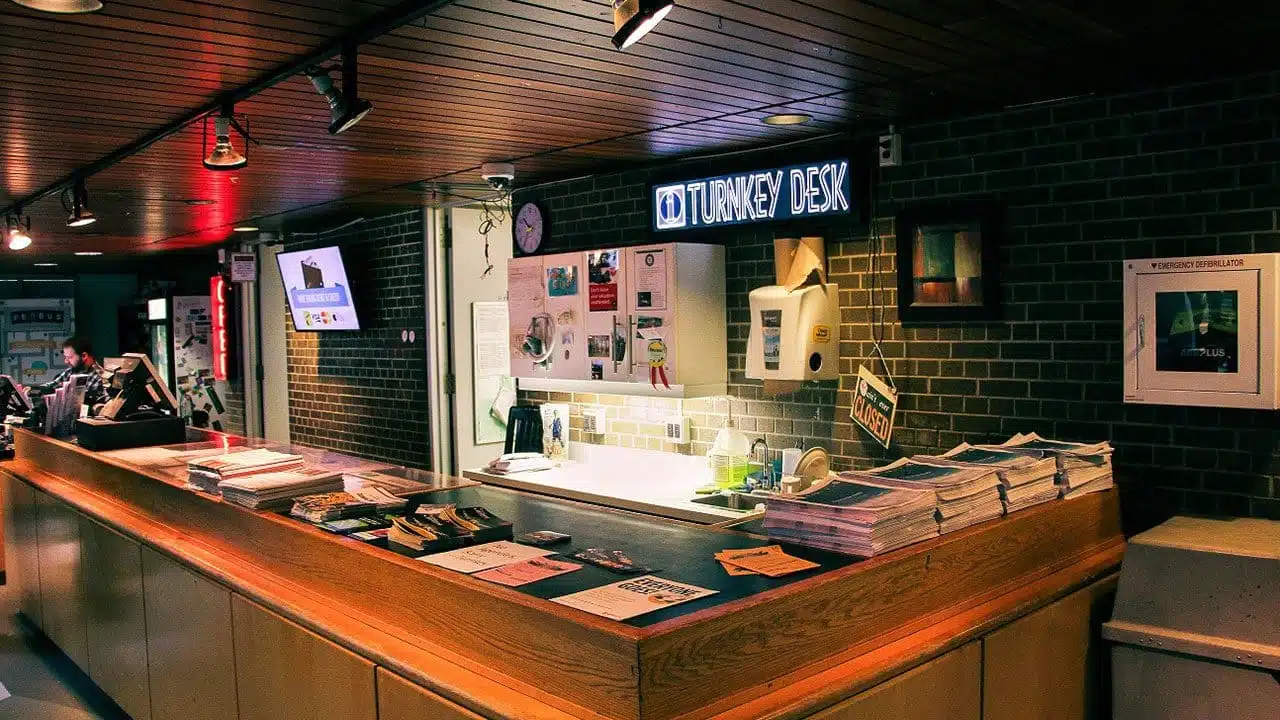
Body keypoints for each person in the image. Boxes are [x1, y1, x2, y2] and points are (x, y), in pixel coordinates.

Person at [29, 336, 109, 408]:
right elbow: (53, 384)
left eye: (69, 357)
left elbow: (85, 400)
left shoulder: (100, 377)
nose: (66, 361)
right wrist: (33, 389)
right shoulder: (71, 371)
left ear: (84, 356)